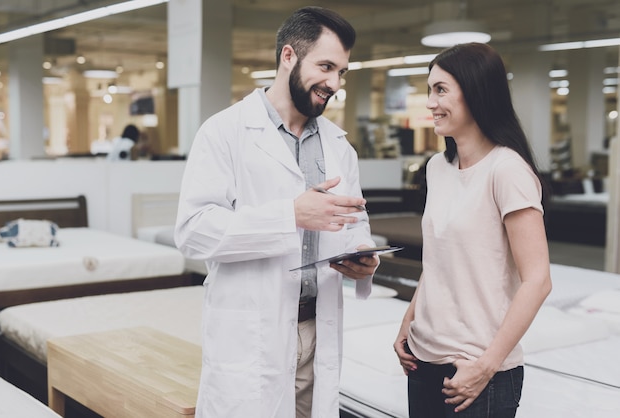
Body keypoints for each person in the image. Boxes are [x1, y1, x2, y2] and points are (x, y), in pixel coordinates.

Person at [174, 7, 380, 418]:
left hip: (316, 329)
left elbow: (355, 223)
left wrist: (363, 255)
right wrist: (290, 215)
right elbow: (193, 232)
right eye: (325, 67)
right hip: (253, 333)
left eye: (342, 72)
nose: (334, 84)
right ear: (289, 56)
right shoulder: (224, 132)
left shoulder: (340, 147)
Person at [393, 42, 552, 418]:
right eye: (430, 89)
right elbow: (440, 263)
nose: (430, 102)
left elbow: (538, 280)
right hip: (422, 359)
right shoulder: (436, 167)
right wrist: (408, 322)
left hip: (479, 372)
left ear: (477, 92)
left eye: (441, 90)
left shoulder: (506, 170)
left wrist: (486, 366)